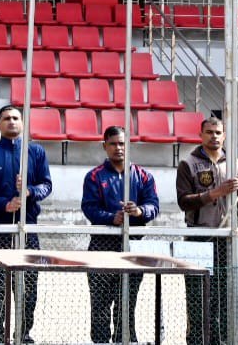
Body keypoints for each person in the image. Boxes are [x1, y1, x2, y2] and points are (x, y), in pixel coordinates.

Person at [0, 104, 52, 344]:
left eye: (16, 118)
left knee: (28, 282)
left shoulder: (35, 152)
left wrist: (29, 191)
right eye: (6, 118)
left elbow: (46, 185)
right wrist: (3, 204)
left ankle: (23, 331)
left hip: (27, 229)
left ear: (22, 123)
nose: (11, 121)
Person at [176, 115, 238, 345]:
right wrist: (214, 193)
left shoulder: (236, 164)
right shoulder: (188, 164)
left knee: (227, 294)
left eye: (218, 132)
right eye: (209, 132)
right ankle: (196, 340)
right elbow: (183, 202)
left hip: (227, 239)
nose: (214, 136)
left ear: (224, 136)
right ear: (200, 135)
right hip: (198, 237)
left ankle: (224, 340)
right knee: (197, 295)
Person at [81, 125, 159, 344]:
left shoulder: (143, 176)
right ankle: (100, 341)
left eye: (122, 143)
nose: (118, 148)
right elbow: (89, 207)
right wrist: (110, 218)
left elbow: (153, 205)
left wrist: (139, 211)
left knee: (128, 300)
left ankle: (125, 339)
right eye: (113, 144)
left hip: (133, 247)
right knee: (100, 301)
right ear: (104, 146)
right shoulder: (94, 176)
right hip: (102, 246)